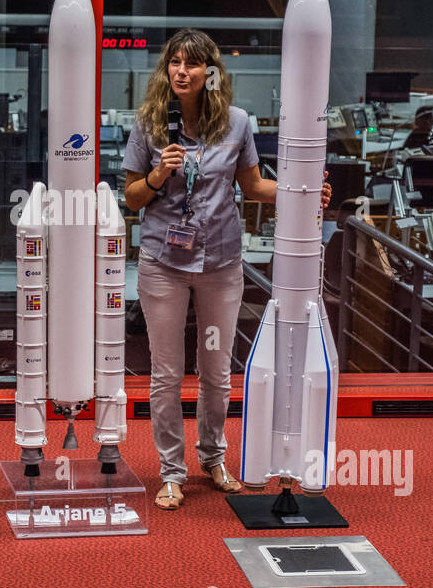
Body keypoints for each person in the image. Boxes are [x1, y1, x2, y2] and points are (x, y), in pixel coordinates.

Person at [122, 29, 331, 510]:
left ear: (209, 73)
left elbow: (255, 186)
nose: (181, 71)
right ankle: (171, 472)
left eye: (192, 64)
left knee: (216, 371)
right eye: (174, 63)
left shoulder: (236, 123)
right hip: (163, 262)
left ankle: (213, 458)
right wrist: (157, 174)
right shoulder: (149, 125)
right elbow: (132, 198)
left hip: (219, 261)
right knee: (166, 374)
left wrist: (302, 192)